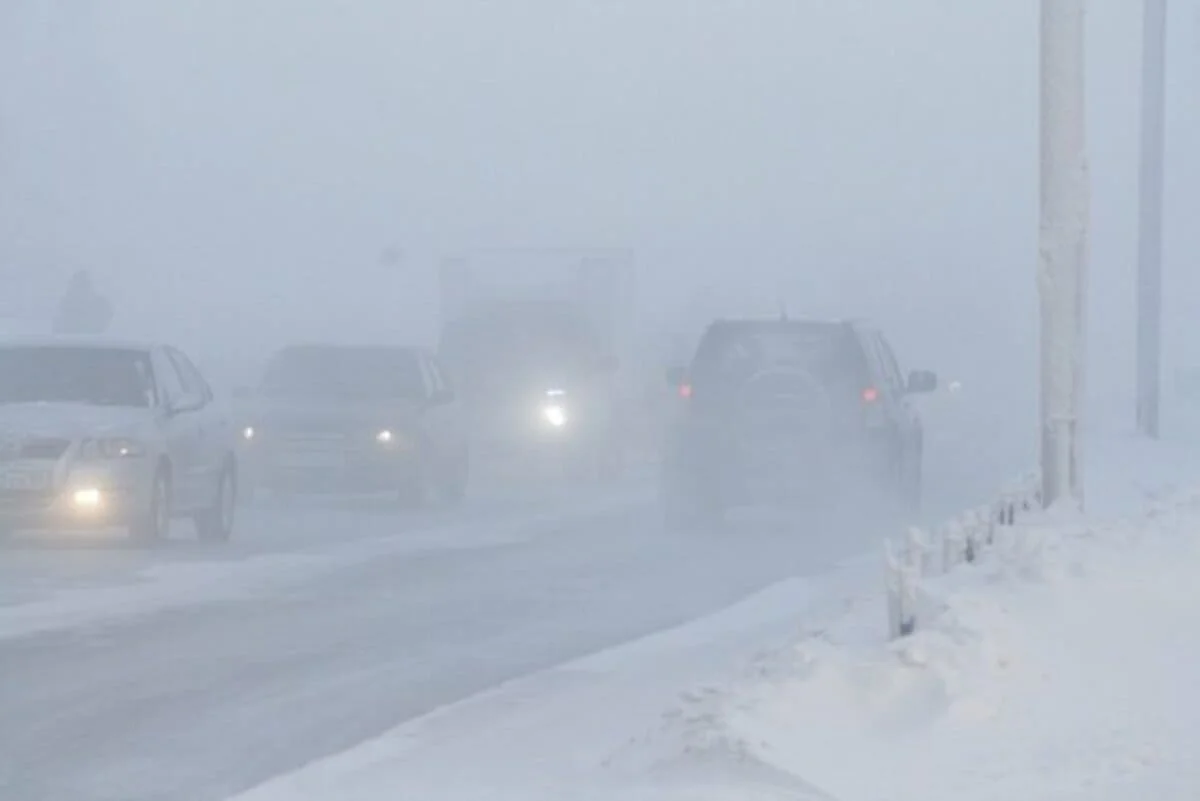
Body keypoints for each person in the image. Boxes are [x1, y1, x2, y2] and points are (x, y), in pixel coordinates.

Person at [52, 270, 113, 335]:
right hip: (71, 341)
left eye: (84, 284)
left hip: (95, 340)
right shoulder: (66, 304)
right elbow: (58, 328)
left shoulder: (102, 305)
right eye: (80, 285)